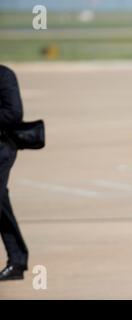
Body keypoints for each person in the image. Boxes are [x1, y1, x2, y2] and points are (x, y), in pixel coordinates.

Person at [0, 65, 28, 281]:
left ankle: (18, 260)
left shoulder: (4, 75)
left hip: (3, 148)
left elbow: (14, 113)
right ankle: (17, 260)